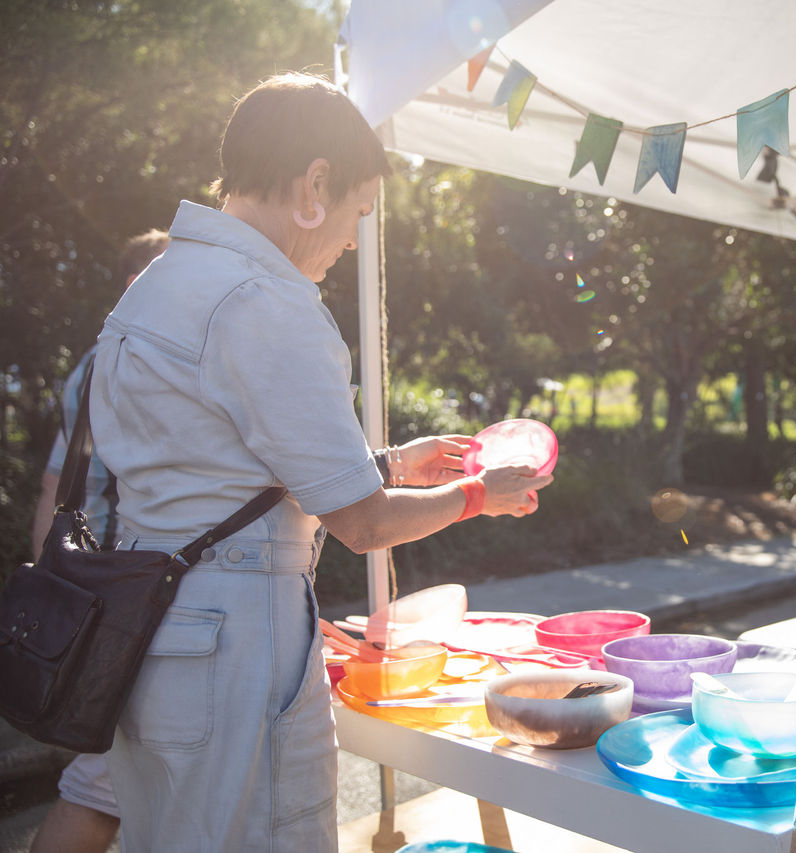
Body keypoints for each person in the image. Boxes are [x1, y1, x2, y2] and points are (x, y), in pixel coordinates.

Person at [85, 72, 553, 851]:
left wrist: (393, 462)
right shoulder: (265, 300)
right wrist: (479, 495)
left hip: (154, 633)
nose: (346, 242)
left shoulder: (158, 284)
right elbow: (364, 522)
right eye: (355, 215)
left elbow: (229, 468)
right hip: (234, 644)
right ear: (315, 184)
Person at [28, 228, 170, 853]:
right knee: (99, 786)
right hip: (131, 588)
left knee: (113, 780)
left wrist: (51, 582)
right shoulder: (148, 361)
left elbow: (55, 484)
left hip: (93, 585)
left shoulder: (91, 363)